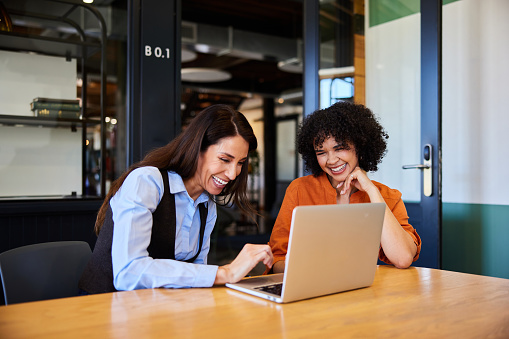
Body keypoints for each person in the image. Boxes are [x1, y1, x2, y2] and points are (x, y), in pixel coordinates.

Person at [79, 104, 273, 294]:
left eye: (240, 163)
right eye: (224, 159)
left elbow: (197, 276)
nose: (233, 174)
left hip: (155, 309)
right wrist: (224, 272)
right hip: (104, 305)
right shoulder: (147, 182)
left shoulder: (207, 206)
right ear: (197, 148)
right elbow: (128, 273)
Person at [268, 101, 421, 274]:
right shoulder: (299, 190)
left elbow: (402, 258)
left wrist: (372, 192)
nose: (331, 160)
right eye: (321, 152)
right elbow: (277, 260)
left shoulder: (387, 196)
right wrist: (307, 269)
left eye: (339, 148)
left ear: (360, 146)